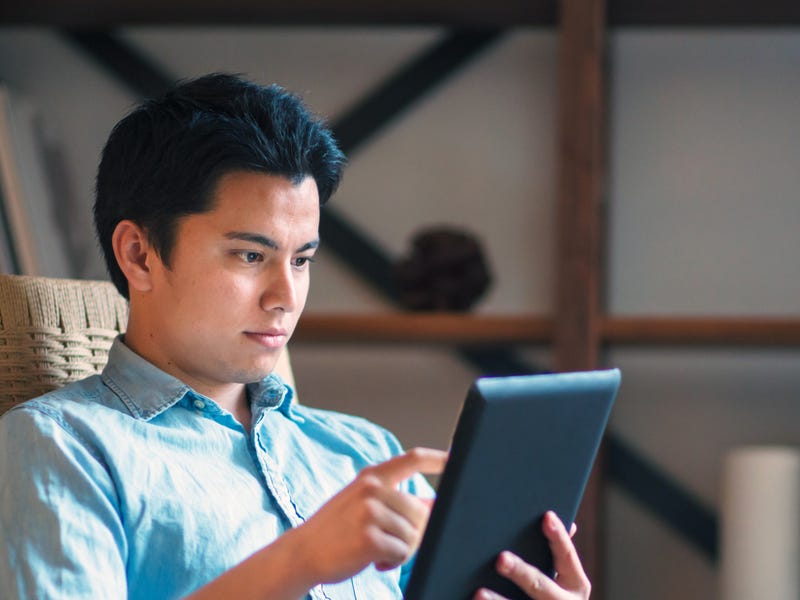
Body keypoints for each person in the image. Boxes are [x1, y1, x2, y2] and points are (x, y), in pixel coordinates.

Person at [0, 73, 591, 600]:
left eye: (302, 259)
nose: (286, 296)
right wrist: (301, 561)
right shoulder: (61, 447)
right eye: (251, 254)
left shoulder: (368, 455)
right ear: (140, 254)